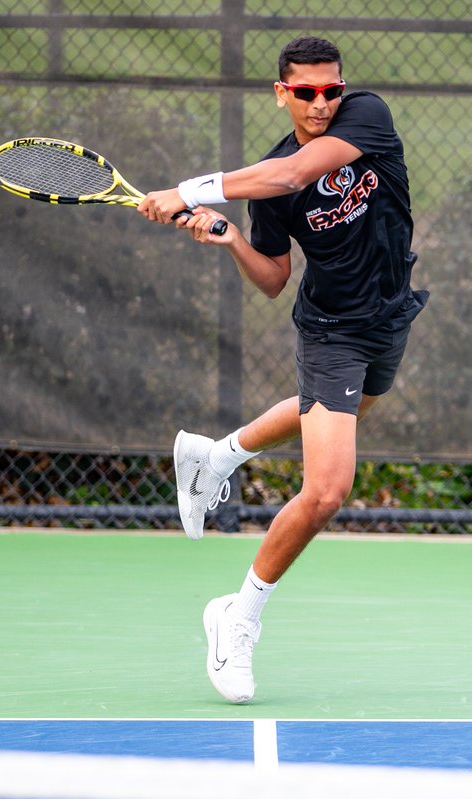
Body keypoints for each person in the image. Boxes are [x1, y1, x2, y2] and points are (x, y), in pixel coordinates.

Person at [138, 36, 426, 704]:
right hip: (331, 331)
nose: (322, 103)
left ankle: (219, 455)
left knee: (346, 416)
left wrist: (184, 190)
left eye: (331, 89)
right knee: (327, 488)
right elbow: (274, 278)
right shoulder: (268, 179)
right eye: (306, 92)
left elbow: (298, 175)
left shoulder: (367, 116)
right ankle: (236, 617)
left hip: (389, 314)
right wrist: (233, 236)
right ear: (281, 93)